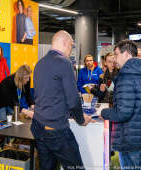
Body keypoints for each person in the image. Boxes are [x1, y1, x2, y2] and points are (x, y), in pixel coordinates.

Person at [31, 30, 91, 170]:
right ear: (65, 43)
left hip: (39, 127)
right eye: (71, 46)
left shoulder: (40, 63)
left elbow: (45, 95)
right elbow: (73, 98)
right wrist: (81, 119)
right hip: (56, 130)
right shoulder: (64, 62)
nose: (70, 51)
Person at [101, 40, 141, 169]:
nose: (114, 59)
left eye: (116, 54)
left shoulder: (126, 77)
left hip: (129, 137)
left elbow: (123, 113)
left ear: (126, 54)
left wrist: (104, 112)